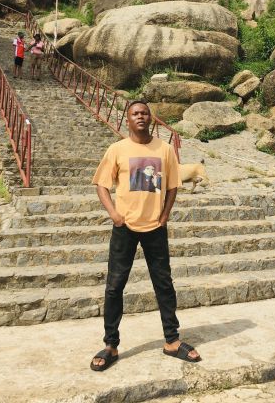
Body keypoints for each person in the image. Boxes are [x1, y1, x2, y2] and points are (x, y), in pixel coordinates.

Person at [90, 100, 201, 371]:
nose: (140, 116)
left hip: (155, 228)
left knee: (164, 284)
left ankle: (172, 341)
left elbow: (173, 186)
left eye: (144, 113)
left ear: (151, 118)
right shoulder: (117, 149)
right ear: (127, 119)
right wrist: (114, 215)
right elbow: (101, 185)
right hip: (124, 228)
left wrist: (165, 216)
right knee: (114, 286)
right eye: (135, 113)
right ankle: (111, 345)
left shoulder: (164, 149)